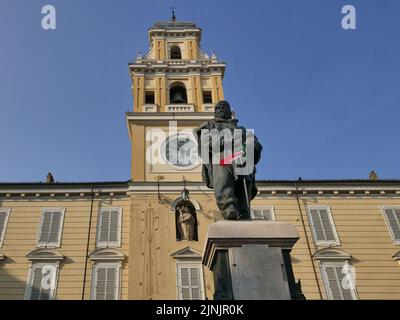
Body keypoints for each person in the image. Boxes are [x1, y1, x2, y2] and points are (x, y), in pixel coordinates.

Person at [193, 100, 263, 220]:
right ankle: (228, 209)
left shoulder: (242, 129)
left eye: (225, 108)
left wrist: (248, 147)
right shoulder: (209, 126)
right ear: (215, 112)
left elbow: (256, 145)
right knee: (223, 183)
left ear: (230, 112)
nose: (222, 110)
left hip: (242, 158)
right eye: (219, 108)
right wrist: (234, 139)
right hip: (222, 159)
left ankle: (243, 211)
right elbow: (208, 142)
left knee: (243, 185)